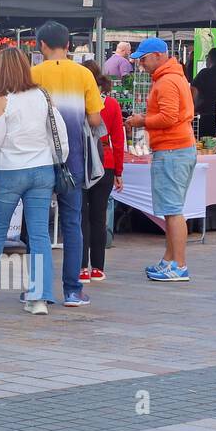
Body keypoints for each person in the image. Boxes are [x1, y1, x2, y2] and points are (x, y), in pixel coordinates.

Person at [0, 47, 66, 314]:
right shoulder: (43, 95)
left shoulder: (2, 98)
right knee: (39, 234)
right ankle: (39, 297)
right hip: (42, 169)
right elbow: (60, 136)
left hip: (10, 169)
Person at [29, 21, 104, 307]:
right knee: (72, 223)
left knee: (37, 226)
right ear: (69, 45)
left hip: (38, 159)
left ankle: (38, 291)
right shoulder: (84, 73)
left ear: (41, 46)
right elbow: (95, 119)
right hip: (72, 161)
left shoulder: (32, 74)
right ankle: (72, 290)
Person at [124, 37, 197, 284]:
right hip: (176, 148)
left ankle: (179, 264)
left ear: (157, 55)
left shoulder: (166, 81)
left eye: (143, 59)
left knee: (173, 210)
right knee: (170, 209)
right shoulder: (172, 77)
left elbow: (168, 117)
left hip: (172, 150)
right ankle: (170, 260)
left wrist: (141, 121)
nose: (141, 64)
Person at [80, 60, 124, 282]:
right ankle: (97, 267)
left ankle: (80, 266)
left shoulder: (77, 102)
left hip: (81, 162)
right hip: (105, 163)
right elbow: (118, 139)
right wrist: (119, 171)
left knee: (81, 216)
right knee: (99, 217)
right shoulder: (112, 104)